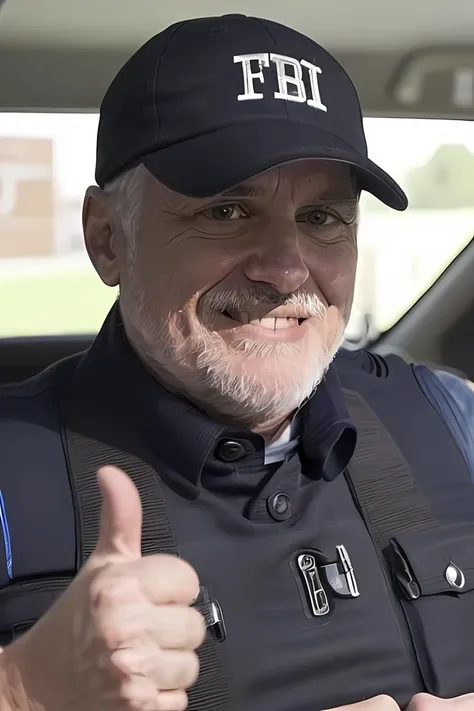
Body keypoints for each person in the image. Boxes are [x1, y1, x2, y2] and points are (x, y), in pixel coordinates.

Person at [0, 13, 474, 711]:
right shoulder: (12, 468)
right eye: (226, 211)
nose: (286, 271)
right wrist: (24, 689)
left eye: (321, 218)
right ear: (107, 239)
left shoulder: (450, 419)